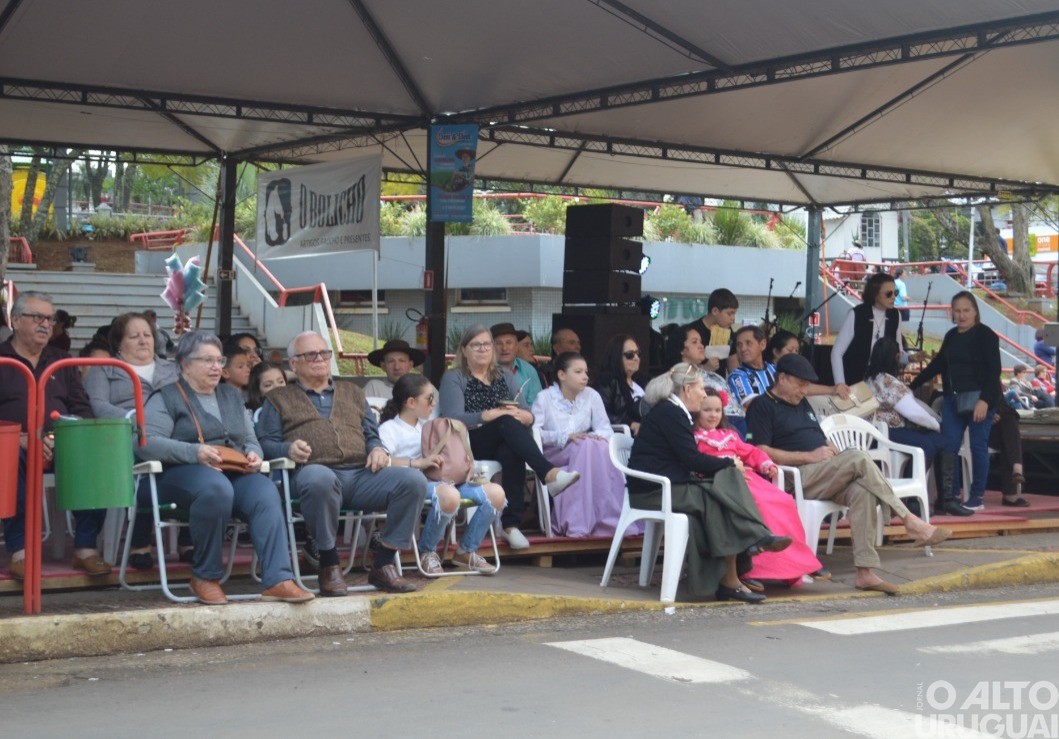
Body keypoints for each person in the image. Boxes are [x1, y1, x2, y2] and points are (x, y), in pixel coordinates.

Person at [745, 353, 950, 594]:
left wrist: (832, 451)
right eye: (800, 384)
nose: (804, 390)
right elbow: (761, 452)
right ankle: (908, 520)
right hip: (796, 476)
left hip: (825, 471)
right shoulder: (762, 406)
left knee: (862, 490)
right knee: (858, 456)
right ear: (782, 379)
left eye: (806, 385)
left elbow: (818, 437)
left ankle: (865, 572)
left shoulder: (801, 403)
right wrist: (809, 457)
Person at [133, 330, 312, 605]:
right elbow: (146, 444)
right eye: (207, 360)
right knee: (215, 488)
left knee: (265, 490)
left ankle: (278, 579)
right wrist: (195, 452)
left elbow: (249, 437)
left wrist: (253, 453)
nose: (217, 367)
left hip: (232, 471)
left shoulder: (230, 395)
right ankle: (205, 576)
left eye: (219, 360)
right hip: (174, 476)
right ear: (185, 364)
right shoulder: (165, 397)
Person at [257, 331, 427, 595]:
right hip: (312, 473)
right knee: (319, 478)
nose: (319, 359)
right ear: (294, 364)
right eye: (310, 355)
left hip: (361, 474)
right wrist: (287, 449)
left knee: (413, 480)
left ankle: (383, 564)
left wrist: (378, 449)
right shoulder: (277, 398)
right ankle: (329, 564)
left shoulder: (352, 392)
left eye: (324, 353)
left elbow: (371, 434)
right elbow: (265, 443)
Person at [628, 363, 792, 603]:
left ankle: (737, 569)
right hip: (653, 490)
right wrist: (727, 463)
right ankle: (751, 543)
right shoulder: (670, 413)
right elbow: (691, 459)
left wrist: (726, 464)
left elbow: (688, 460)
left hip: (673, 484)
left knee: (720, 494)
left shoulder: (674, 411)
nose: (705, 394)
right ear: (686, 389)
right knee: (724, 485)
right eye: (702, 389)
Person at [438, 325, 580, 550]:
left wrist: (521, 415)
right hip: (468, 442)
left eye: (486, 344)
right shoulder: (454, 377)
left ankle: (510, 525)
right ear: (464, 350)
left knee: (510, 448)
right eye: (476, 345)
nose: (483, 349)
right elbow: (452, 418)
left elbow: (527, 414)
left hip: (503, 438)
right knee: (505, 423)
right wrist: (490, 415)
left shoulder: (503, 375)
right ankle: (548, 473)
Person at [0, 292, 112, 579]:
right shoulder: (2, 359)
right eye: (36, 317)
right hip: (12, 442)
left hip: (59, 439)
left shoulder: (61, 361)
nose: (45, 324)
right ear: (15, 321)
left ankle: (85, 547)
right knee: (14, 456)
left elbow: (82, 409)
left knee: (94, 455)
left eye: (50, 319)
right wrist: (20, 436)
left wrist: (54, 437)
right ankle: (20, 551)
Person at [693, 389, 824, 586]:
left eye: (717, 410)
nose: (713, 415)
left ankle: (799, 563)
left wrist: (767, 464)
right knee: (760, 504)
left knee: (783, 500)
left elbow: (751, 452)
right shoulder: (694, 437)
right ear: (697, 412)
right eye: (707, 410)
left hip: (747, 478)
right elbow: (697, 463)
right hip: (723, 482)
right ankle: (753, 570)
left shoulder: (730, 435)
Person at [83, 312, 184, 569]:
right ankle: (140, 541)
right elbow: (97, 405)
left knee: (190, 458)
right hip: (125, 436)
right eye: (134, 336)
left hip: (171, 433)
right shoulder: (104, 368)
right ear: (118, 342)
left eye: (147, 335)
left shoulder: (172, 369)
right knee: (145, 456)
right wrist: (134, 418)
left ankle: (188, 538)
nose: (143, 341)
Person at [378, 374, 506, 575]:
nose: (434, 402)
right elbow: (383, 460)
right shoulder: (390, 429)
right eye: (429, 398)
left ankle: (466, 551)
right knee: (448, 495)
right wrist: (417, 463)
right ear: (411, 402)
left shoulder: (430, 425)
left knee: (496, 493)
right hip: (415, 484)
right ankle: (427, 551)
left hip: (446, 481)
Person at [910, 291, 1001, 511]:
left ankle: (977, 496)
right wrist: (911, 385)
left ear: (975, 312)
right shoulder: (951, 336)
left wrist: (985, 400)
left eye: (966, 311)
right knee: (949, 445)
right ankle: (950, 496)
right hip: (953, 398)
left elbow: (994, 371)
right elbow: (938, 364)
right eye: (957, 311)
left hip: (980, 398)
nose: (961, 315)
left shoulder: (986, 335)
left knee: (978, 445)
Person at [865, 338, 972, 517]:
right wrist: (936, 425)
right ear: (895, 357)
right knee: (928, 444)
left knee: (941, 443)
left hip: (877, 433)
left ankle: (940, 500)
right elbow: (913, 412)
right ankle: (918, 499)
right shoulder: (890, 382)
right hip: (890, 432)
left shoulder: (871, 378)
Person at [532, 352, 629, 538]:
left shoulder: (592, 395)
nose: (585, 376)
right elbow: (535, 434)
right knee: (588, 447)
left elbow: (605, 429)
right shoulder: (544, 398)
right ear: (562, 375)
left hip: (586, 451)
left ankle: (595, 519)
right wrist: (565, 437)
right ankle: (579, 521)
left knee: (591, 446)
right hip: (555, 452)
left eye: (586, 371)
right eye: (578, 372)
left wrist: (588, 437)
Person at [728, 325, 849, 409]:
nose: (743, 349)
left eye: (748, 343)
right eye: (739, 345)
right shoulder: (738, 376)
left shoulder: (773, 368)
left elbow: (802, 386)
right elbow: (752, 405)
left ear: (762, 344)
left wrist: (833, 389)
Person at [668, 323, 746, 434]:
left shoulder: (711, 374)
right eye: (694, 342)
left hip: (740, 419)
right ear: (681, 349)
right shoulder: (679, 377)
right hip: (720, 424)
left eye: (700, 341)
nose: (701, 346)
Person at [832, 272, 905, 385]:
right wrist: (840, 383)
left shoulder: (896, 315)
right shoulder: (857, 314)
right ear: (875, 294)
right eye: (889, 293)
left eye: (895, 292)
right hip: (855, 380)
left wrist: (910, 358)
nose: (894, 297)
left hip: (883, 383)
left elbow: (898, 352)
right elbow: (837, 352)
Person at [593, 334, 647, 435]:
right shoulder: (607, 381)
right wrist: (630, 423)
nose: (636, 358)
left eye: (638, 353)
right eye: (630, 355)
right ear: (616, 356)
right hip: (623, 437)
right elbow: (600, 413)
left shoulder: (642, 381)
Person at [681, 288, 739, 373]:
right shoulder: (692, 332)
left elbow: (733, 361)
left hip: (719, 383)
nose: (733, 319)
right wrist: (705, 368)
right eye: (729, 314)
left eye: (734, 314)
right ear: (715, 311)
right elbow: (681, 367)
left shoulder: (728, 331)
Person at [492, 322, 543, 406]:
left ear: (516, 346)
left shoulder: (529, 371)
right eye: (499, 343)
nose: (504, 348)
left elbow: (536, 406)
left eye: (509, 343)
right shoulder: (482, 370)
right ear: (491, 347)